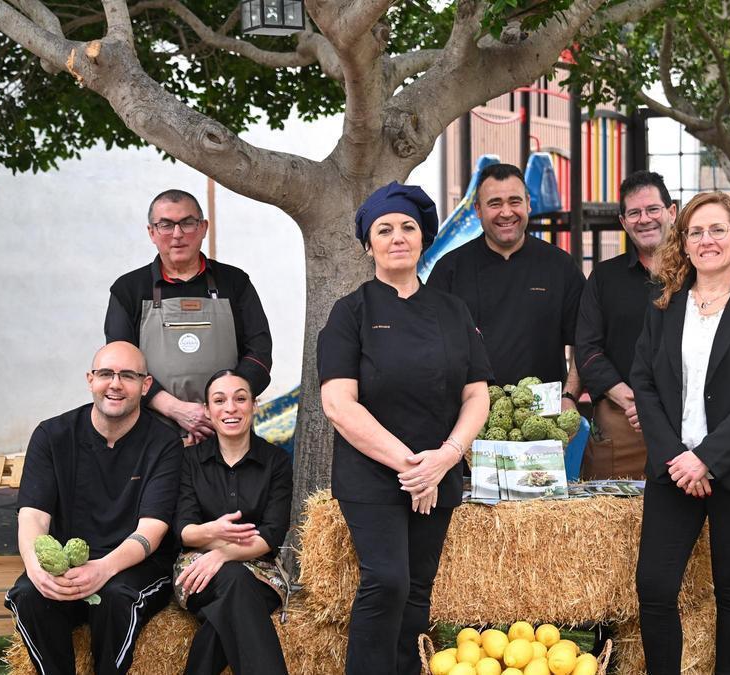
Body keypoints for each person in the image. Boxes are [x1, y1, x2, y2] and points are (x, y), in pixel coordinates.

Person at [317, 181, 493, 674]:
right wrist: (411, 465)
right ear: (368, 243)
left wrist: (446, 458)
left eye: (408, 228)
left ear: (423, 239)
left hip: (438, 470)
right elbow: (337, 403)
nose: (398, 237)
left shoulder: (452, 310)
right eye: (385, 229)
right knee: (387, 581)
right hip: (373, 474)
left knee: (418, 589)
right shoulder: (351, 312)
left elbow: (477, 393)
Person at [631, 192, 730, 675]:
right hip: (673, 470)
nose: (707, 240)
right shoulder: (664, 305)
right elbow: (644, 382)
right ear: (683, 242)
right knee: (655, 587)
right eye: (695, 232)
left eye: (718, 229)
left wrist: (707, 458)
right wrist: (676, 458)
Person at [6, 342, 182, 675]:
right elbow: (32, 515)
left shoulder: (164, 443)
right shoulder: (52, 435)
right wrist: (35, 567)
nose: (115, 384)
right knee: (28, 594)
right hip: (68, 564)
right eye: (106, 374)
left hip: (134, 564)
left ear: (145, 386)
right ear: (90, 379)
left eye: (128, 376)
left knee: (117, 597)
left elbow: (152, 529)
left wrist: (102, 569)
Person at [106, 189, 274, 443]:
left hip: (226, 429)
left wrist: (221, 407)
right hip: (151, 433)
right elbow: (120, 366)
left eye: (187, 223)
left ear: (203, 227)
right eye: (165, 225)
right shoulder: (129, 289)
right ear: (151, 232)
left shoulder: (235, 282)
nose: (177, 234)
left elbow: (259, 352)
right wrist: (175, 409)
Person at [427, 163, 584, 407]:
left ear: (528, 204)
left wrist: (569, 395)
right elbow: (429, 348)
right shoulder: (450, 270)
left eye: (514, 201)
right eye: (495, 203)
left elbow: (586, 339)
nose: (506, 212)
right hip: (467, 415)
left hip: (542, 414)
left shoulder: (560, 266)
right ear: (478, 210)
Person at [174, 369, 293, 675]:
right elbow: (184, 530)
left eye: (240, 399)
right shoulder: (188, 460)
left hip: (262, 573)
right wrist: (211, 532)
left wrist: (222, 552)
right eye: (219, 400)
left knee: (233, 596)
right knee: (236, 584)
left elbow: (271, 534)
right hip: (197, 572)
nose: (230, 408)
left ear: (254, 404)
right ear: (207, 410)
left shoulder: (276, 461)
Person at [575, 170, 676, 479]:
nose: (644, 219)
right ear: (623, 221)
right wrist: (631, 400)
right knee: (608, 518)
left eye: (652, 209)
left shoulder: (698, 274)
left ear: (672, 212)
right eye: (634, 212)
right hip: (621, 418)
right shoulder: (604, 278)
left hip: (685, 422)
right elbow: (587, 349)